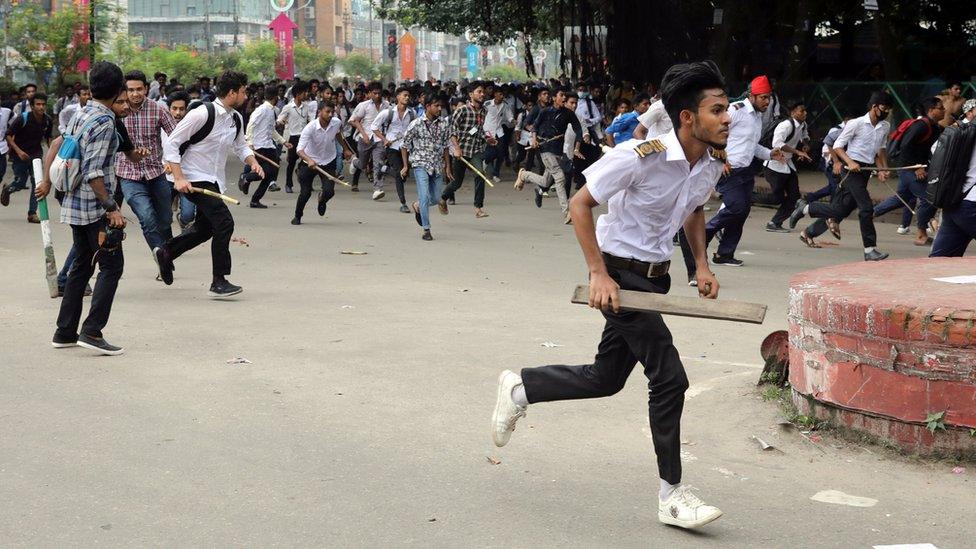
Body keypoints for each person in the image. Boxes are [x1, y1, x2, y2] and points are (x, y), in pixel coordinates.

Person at [491, 60, 729, 531]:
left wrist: (700, 264)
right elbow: (581, 203)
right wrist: (598, 273)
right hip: (621, 275)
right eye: (717, 110)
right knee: (670, 377)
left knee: (607, 377)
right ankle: (672, 495)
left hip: (654, 280)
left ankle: (521, 387)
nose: (728, 119)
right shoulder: (641, 154)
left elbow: (694, 211)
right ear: (687, 117)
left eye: (727, 110)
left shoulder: (709, 166)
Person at [36, 61, 127, 355]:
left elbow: (60, 144)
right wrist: (111, 207)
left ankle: (64, 332)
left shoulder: (81, 113)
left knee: (80, 266)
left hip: (74, 204)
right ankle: (92, 331)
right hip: (93, 208)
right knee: (112, 266)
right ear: (117, 90)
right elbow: (94, 172)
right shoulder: (104, 122)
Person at [155, 71, 265, 298]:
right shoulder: (202, 113)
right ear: (232, 92)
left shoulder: (236, 118)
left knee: (205, 229)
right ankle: (219, 280)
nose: (246, 95)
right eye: (243, 91)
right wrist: (178, 178)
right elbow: (172, 143)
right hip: (195, 178)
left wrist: (253, 162)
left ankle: (167, 252)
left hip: (215, 180)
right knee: (225, 223)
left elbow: (241, 146)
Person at [789, 91, 894, 261]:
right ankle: (870, 250)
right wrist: (849, 162)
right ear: (874, 107)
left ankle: (806, 208)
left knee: (841, 210)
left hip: (865, 171)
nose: (886, 112)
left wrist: (883, 168)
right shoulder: (856, 124)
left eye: (889, 109)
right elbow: (837, 146)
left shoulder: (885, 126)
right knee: (866, 208)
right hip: (850, 170)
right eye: (884, 108)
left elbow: (881, 149)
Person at [117, 70, 178, 257]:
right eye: (130, 90)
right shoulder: (117, 111)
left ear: (146, 89)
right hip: (129, 175)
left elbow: (176, 137)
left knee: (165, 220)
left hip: (156, 173)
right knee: (147, 217)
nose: (135, 94)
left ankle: (167, 252)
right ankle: (162, 257)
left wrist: (172, 162)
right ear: (125, 91)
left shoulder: (158, 109)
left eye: (139, 89)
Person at [872, 97, 944, 246]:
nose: (944, 110)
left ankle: (868, 214)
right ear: (931, 110)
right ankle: (921, 234)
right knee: (929, 199)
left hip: (913, 167)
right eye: (940, 108)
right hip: (908, 167)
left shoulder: (935, 127)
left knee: (901, 197)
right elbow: (905, 146)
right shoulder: (920, 126)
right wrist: (916, 167)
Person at [514, 88, 583, 223]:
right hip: (545, 149)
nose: (564, 98)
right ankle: (567, 212)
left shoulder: (569, 114)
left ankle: (524, 175)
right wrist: (534, 139)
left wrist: (577, 148)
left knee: (546, 182)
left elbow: (578, 130)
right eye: (561, 95)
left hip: (558, 150)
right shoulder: (545, 112)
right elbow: (534, 127)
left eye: (565, 96)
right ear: (554, 98)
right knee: (560, 177)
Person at [402, 92, 453, 241]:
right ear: (427, 106)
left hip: (437, 165)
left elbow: (445, 146)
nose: (439, 109)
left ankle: (418, 206)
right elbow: (404, 145)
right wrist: (405, 166)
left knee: (436, 198)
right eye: (436, 106)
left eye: (440, 106)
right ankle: (426, 229)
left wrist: (447, 167)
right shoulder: (416, 124)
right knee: (424, 196)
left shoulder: (443, 123)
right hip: (420, 164)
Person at [291, 100, 351, 225]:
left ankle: (322, 200)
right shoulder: (310, 127)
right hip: (309, 162)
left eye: (332, 112)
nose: (330, 115)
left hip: (328, 161)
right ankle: (298, 216)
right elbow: (299, 150)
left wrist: (345, 149)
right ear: (319, 112)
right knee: (305, 193)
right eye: (327, 112)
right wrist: (309, 160)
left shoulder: (336, 123)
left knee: (329, 191)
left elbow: (338, 134)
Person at [442, 81, 494, 218]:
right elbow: (451, 129)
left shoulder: (484, 111)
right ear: (471, 94)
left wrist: (487, 139)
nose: (482, 94)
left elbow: (478, 130)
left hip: (476, 150)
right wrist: (457, 148)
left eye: (483, 92)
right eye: (479, 92)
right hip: (462, 151)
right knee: (457, 182)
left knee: (480, 175)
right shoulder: (462, 110)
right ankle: (443, 198)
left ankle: (478, 208)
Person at [1, 92, 52, 223]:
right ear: (32, 106)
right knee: (20, 182)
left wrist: (53, 154)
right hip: (20, 155)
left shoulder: (47, 120)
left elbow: (48, 138)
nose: (41, 107)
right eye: (38, 104)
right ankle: (8, 189)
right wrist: (18, 152)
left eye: (43, 104)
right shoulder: (22, 118)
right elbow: (8, 135)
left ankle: (32, 213)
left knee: (37, 184)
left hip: (36, 155)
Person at [762, 99, 811, 232]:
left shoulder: (803, 124)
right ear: (793, 113)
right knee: (776, 198)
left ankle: (774, 223)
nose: (805, 113)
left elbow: (804, 137)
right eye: (802, 111)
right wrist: (797, 151)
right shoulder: (786, 125)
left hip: (787, 165)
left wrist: (805, 146)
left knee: (794, 197)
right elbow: (777, 144)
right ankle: (748, 197)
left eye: (805, 110)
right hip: (774, 166)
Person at [929, 130, 976, 257]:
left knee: (941, 260)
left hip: (954, 200)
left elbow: (935, 149)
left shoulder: (964, 129)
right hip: (972, 205)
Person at [370, 87, 416, 211]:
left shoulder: (412, 113)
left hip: (406, 147)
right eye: (404, 95)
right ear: (398, 97)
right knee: (399, 174)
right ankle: (403, 204)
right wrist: (384, 139)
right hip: (392, 147)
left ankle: (384, 169)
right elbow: (374, 126)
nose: (407, 97)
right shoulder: (388, 112)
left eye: (408, 96)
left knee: (404, 175)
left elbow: (415, 128)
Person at [243, 84, 288, 209]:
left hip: (269, 146)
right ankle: (246, 178)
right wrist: (250, 143)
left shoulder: (272, 111)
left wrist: (283, 141)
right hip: (259, 146)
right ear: (275, 98)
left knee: (271, 174)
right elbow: (251, 124)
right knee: (265, 173)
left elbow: (271, 130)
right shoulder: (262, 109)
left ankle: (254, 198)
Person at [348, 81, 391, 196]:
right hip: (364, 138)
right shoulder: (363, 106)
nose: (377, 96)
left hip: (379, 139)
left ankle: (378, 189)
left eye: (379, 93)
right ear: (370, 93)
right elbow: (353, 120)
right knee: (363, 164)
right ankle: (354, 162)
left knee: (378, 164)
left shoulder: (387, 105)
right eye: (375, 93)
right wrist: (364, 134)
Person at [164, 91, 196, 228]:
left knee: (188, 216)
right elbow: (158, 150)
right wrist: (165, 163)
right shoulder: (161, 127)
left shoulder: (194, 127)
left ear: (187, 109)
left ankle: (183, 222)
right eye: (174, 109)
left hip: (186, 178)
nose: (178, 113)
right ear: (169, 108)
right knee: (163, 216)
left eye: (181, 109)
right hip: (167, 178)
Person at [277, 81, 316, 193]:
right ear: (298, 94)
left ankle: (307, 182)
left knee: (308, 161)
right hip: (294, 137)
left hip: (305, 138)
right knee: (291, 162)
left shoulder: (306, 107)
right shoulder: (288, 107)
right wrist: (280, 121)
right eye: (304, 93)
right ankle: (288, 184)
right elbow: (280, 118)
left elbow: (311, 120)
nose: (306, 95)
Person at [483, 87, 514, 184]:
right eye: (500, 94)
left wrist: (513, 120)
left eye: (503, 95)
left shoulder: (505, 105)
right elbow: (480, 114)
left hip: (499, 132)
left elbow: (509, 116)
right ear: (495, 94)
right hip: (488, 131)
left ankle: (496, 174)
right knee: (491, 153)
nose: (502, 96)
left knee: (501, 154)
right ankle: (485, 163)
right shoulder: (487, 104)